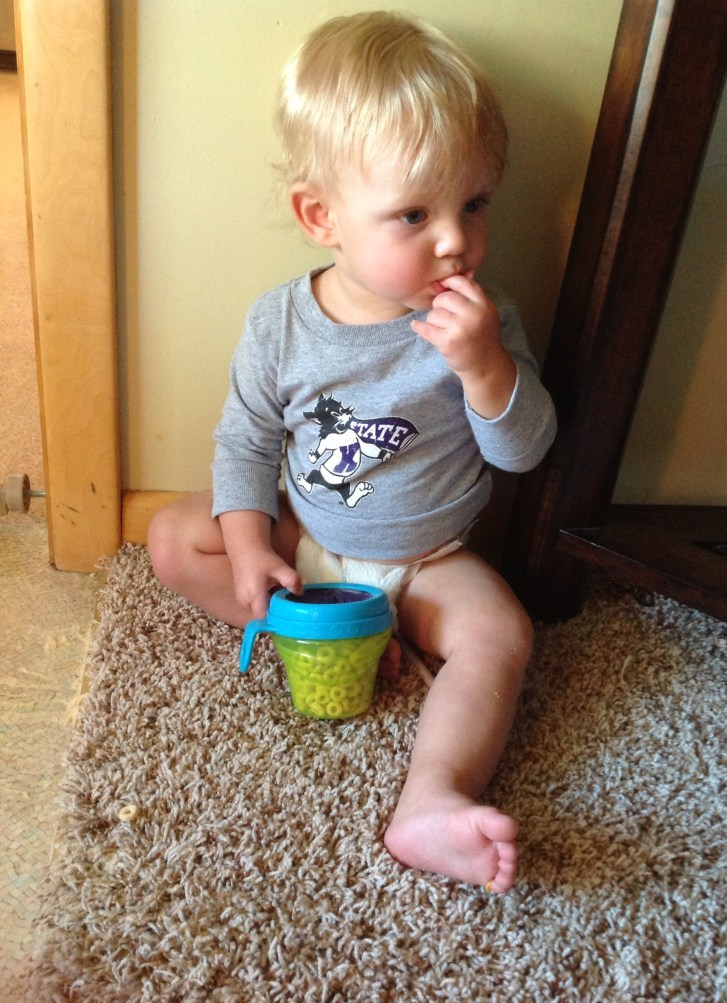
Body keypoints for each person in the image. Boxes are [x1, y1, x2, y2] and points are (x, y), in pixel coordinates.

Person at [148, 10, 556, 893]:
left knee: (501, 634)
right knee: (175, 537)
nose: (456, 239)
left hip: (430, 562)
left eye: (474, 203)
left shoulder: (480, 321)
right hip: (308, 542)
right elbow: (247, 440)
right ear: (320, 214)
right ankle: (318, 635)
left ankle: (431, 799)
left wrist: (485, 368)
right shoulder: (280, 324)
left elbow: (524, 453)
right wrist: (254, 546)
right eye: (415, 213)